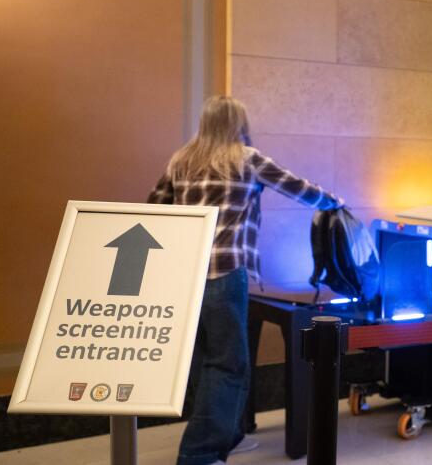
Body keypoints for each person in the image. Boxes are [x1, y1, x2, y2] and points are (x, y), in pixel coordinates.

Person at [147, 95, 343, 465]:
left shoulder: (181, 160)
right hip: (225, 273)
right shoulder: (245, 159)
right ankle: (199, 454)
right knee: (228, 365)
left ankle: (226, 436)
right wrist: (335, 202)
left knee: (206, 362)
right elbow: (299, 188)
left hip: (186, 277)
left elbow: (154, 206)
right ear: (238, 123)